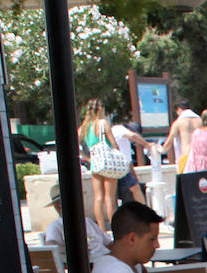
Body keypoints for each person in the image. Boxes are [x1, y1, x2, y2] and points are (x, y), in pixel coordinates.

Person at [78, 99, 120, 231]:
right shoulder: (103, 123)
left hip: (95, 162)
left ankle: (101, 229)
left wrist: (87, 158)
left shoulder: (84, 127)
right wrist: (118, 153)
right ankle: (114, 228)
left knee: (99, 197)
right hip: (107, 161)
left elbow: (74, 144)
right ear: (100, 109)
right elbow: (113, 143)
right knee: (110, 197)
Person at [43, 183, 112, 261]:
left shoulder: (87, 221)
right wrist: (76, 250)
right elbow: (52, 247)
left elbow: (109, 243)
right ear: (59, 206)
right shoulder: (56, 227)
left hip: (107, 259)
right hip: (91, 264)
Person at [109, 117, 155, 206]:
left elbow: (129, 163)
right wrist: (147, 145)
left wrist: (135, 179)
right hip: (117, 166)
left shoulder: (125, 142)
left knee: (131, 189)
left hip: (122, 167)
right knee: (133, 189)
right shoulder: (119, 129)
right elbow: (133, 136)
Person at [161, 100, 201, 174]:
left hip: (186, 157)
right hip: (201, 158)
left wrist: (161, 150)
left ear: (179, 109)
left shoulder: (179, 122)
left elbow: (169, 141)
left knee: (186, 184)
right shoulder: (200, 121)